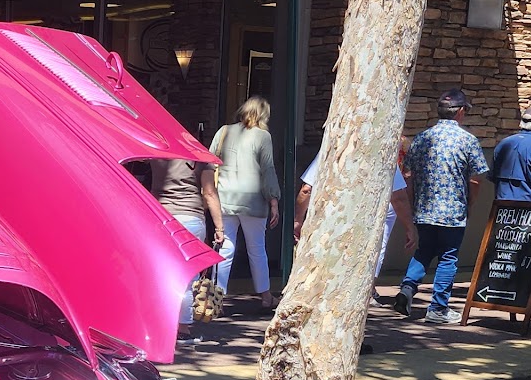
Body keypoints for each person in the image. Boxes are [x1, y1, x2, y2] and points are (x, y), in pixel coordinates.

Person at [393, 88, 489, 322]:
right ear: (461, 111)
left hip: (424, 209)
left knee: (423, 251)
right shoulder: (467, 141)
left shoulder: (422, 138)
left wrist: (415, 202)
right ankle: (438, 308)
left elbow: (408, 176)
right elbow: (476, 179)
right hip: (453, 211)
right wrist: (471, 201)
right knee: (448, 257)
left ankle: (407, 288)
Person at [295, 138, 416, 273]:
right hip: (368, 219)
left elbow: (306, 190)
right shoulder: (382, 153)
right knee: (375, 249)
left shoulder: (332, 150)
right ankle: (369, 290)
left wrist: (298, 219)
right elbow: (398, 197)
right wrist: (409, 227)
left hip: (332, 218)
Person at [209, 96, 281, 309]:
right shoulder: (263, 136)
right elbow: (268, 169)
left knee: (225, 247)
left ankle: (216, 298)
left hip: (225, 196)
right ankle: (266, 296)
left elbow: (210, 162)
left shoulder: (223, 131)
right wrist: (274, 200)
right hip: (253, 200)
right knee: (257, 248)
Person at [153, 151, 227, 327]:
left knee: (162, 273)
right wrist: (219, 228)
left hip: (161, 216)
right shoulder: (199, 154)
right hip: (191, 218)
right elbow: (209, 192)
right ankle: (184, 327)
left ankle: (162, 326)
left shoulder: (156, 153)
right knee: (187, 275)